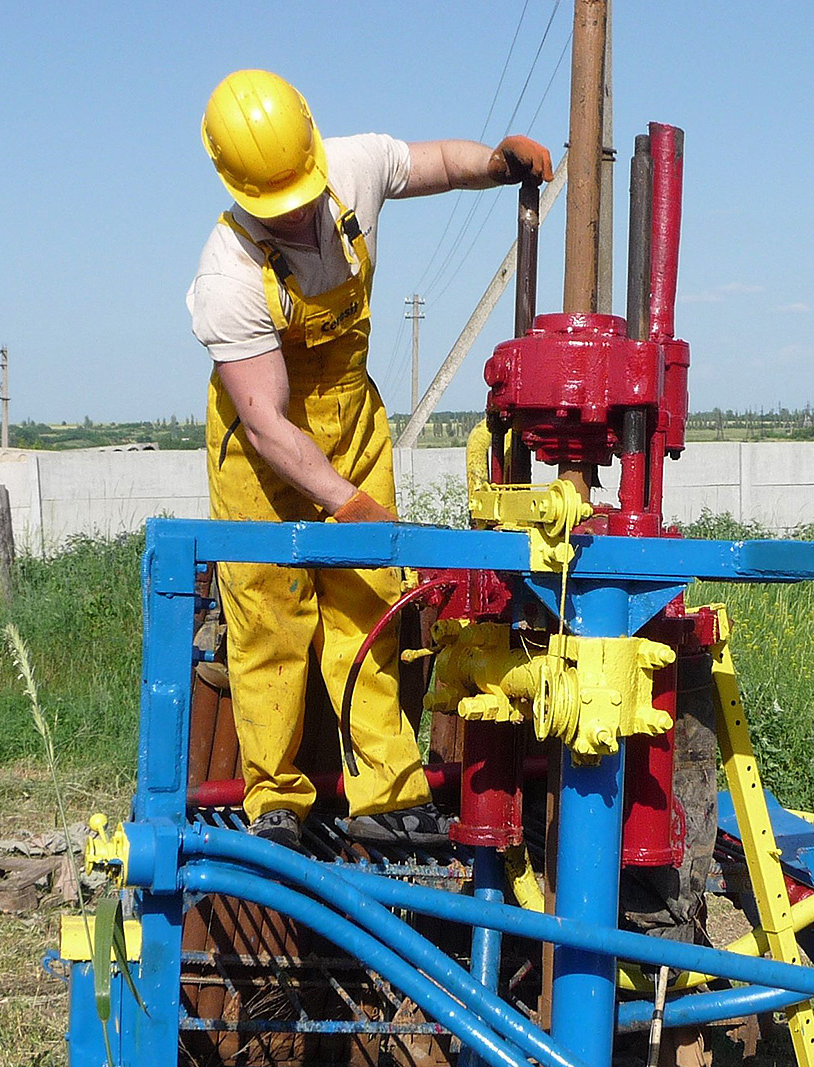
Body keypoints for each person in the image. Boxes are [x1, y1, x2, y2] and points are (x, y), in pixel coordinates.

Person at [186, 70, 553, 850]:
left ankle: (384, 793)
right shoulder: (226, 277)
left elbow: (432, 165)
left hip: (351, 420)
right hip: (263, 456)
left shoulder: (351, 167)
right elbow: (269, 425)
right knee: (269, 616)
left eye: (299, 191)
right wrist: (345, 502)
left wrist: (494, 163)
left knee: (368, 603)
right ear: (240, 193)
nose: (293, 210)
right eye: (274, 203)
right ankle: (275, 799)